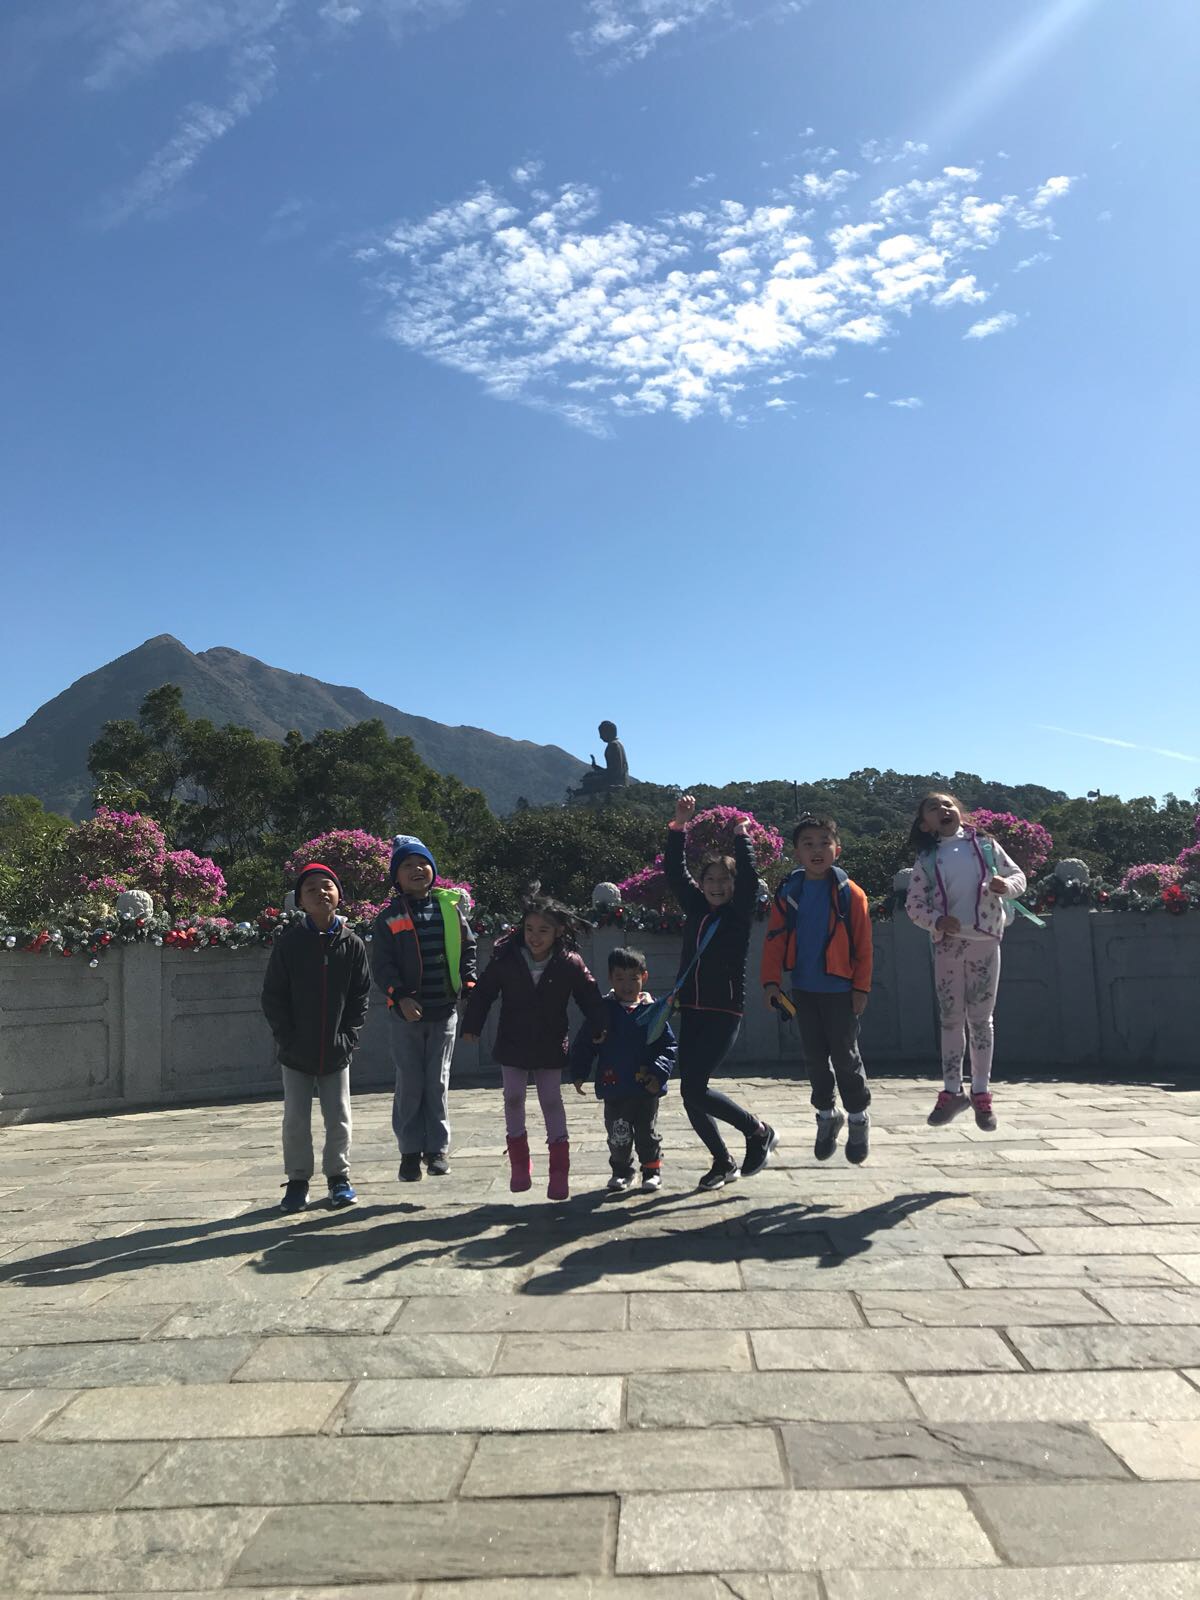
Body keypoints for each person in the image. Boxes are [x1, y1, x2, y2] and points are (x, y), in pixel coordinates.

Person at [664, 795, 777, 1190]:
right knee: (689, 1091)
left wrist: (741, 836)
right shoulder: (696, 906)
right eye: (709, 879)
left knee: (695, 1087)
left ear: (733, 886)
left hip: (724, 1009)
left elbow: (748, 876)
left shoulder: (738, 913)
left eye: (723, 881)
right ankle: (722, 1161)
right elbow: (675, 872)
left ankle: (757, 1131)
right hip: (690, 1008)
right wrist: (679, 826)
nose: (715, 886)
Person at [461, 895, 606, 1200]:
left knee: (551, 1101)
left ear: (557, 932)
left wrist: (600, 1027)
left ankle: (558, 1172)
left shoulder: (569, 962)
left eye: (544, 930)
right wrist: (472, 1024)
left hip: (550, 1043)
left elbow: (589, 996)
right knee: (513, 1098)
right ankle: (519, 1164)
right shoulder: (507, 959)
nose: (535, 936)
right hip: (512, 1041)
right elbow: (485, 991)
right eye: (530, 928)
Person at [904, 792, 1027, 1131]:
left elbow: (1018, 876)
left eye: (948, 805)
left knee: (981, 1019)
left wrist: (1007, 886)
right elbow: (913, 906)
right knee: (950, 1019)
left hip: (985, 940)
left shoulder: (985, 845)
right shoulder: (927, 859)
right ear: (924, 824)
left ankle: (981, 1093)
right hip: (949, 944)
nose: (944, 810)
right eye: (934, 808)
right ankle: (951, 1090)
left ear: (958, 811)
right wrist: (936, 921)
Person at [261, 862, 371, 1213]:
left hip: (336, 1051)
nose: (321, 893)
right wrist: (286, 1038)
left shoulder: (351, 944)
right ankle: (297, 1181)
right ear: (300, 901)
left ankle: (339, 1177)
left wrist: (349, 1036)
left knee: (339, 1116)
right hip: (296, 1051)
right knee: (295, 1118)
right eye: (312, 889)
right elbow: (273, 995)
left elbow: (360, 995)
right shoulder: (290, 944)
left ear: (339, 895)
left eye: (328, 886)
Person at [762, 816, 873, 1163]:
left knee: (844, 1055)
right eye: (808, 843)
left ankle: (857, 1117)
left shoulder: (850, 894)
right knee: (813, 1056)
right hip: (804, 990)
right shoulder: (789, 893)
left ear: (836, 850)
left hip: (841, 990)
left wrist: (861, 988)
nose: (816, 850)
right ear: (796, 852)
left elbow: (864, 945)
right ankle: (827, 1115)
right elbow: (775, 941)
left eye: (824, 842)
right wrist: (771, 982)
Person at [370, 834, 477, 1183]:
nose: (417, 869)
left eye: (422, 863)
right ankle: (409, 1151)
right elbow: (382, 965)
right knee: (410, 1083)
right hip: (406, 1016)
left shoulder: (449, 908)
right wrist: (399, 995)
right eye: (407, 865)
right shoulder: (389, 917)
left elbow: (468, 946)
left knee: (438, 1083)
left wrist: (469, 980)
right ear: (395, 877)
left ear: (433, 870)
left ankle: (438, 1150)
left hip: (444, 1011)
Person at [569, 946, 676, 1193]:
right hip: (613, 1085)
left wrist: (658, 1073)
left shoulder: (653, 1011)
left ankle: (652, 1170)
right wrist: (579, 1072)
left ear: (644, 978)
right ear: (610, 978)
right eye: (620, 978)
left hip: (645, 1086)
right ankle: (621, 1171)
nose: (627, 985)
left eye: (633, 979)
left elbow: (668, 1045)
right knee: (618, 1133)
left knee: (647, 1133)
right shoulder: (603, 1011)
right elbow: (585, 1042)